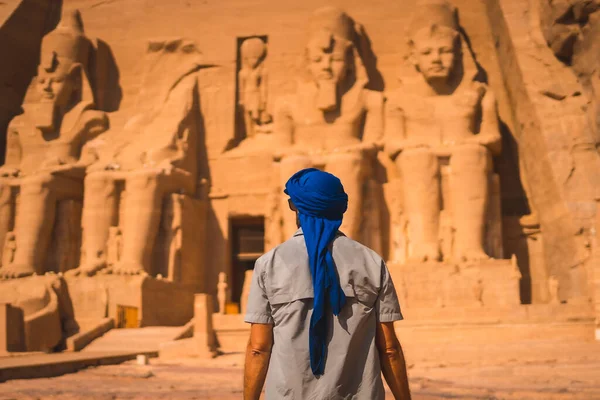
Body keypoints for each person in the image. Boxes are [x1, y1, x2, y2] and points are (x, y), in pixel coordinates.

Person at [243, 168, 412, 399]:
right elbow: (389, 349)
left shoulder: (269, 264)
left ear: (296, 207)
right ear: (339, 209)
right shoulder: (372, 262)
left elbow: (258, 348)